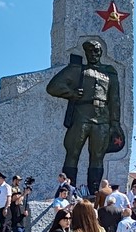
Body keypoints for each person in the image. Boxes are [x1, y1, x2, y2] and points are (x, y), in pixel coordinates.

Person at [46, 40, 122, 194]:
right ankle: (68, 191)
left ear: (101, 52)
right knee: (72, 153)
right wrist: (72, 93)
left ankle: (94, 193)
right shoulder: (77, 69)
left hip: (102, 119)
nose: (93, 54)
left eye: (96, 51)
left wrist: (115, 123)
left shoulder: (110, 72)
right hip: (81, 116)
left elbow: (114, 99)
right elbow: (53, 87)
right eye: (90, 51)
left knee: (98, 156)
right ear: (86, 53)